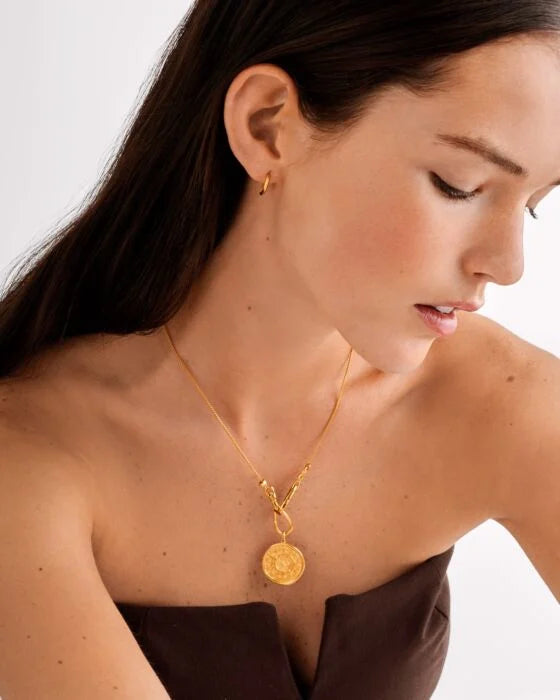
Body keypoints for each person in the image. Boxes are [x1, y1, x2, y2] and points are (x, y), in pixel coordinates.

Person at [1, 1, 559, 698]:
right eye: (460, 185)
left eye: (534, 203)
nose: (508, 265)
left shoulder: (501, 400)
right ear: (268, 126)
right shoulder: (30, 463)